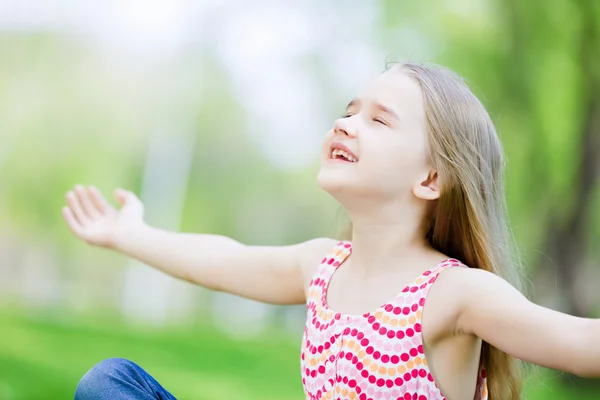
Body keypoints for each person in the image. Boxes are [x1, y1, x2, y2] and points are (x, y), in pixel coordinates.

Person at [63, 62, 596, 400]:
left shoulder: (453, 293)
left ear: (431, 178)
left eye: (379, 120)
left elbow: (578, 343)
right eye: (348, 112)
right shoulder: (322, 267)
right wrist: (127, 234)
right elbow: (221, 260)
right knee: (110, 384)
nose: (345, 124)